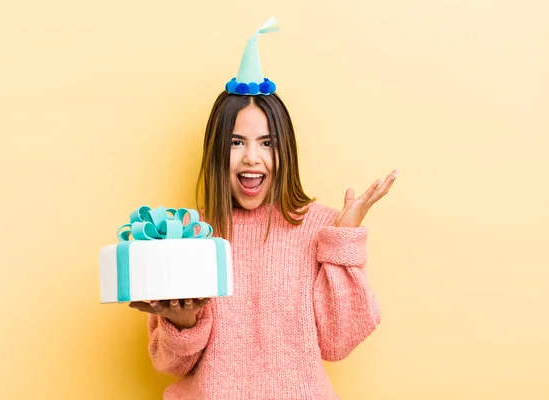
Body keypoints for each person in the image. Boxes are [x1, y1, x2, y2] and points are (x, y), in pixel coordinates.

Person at [129, 17, 398, 399]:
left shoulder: (322, 227)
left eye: (266, 143)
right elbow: (171, 364)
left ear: (284, 150)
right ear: (217, 149)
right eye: (237, 143)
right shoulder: (189, 234)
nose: (252, 158)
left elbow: (339, 341)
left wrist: (343, 243)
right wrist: (182, 322)